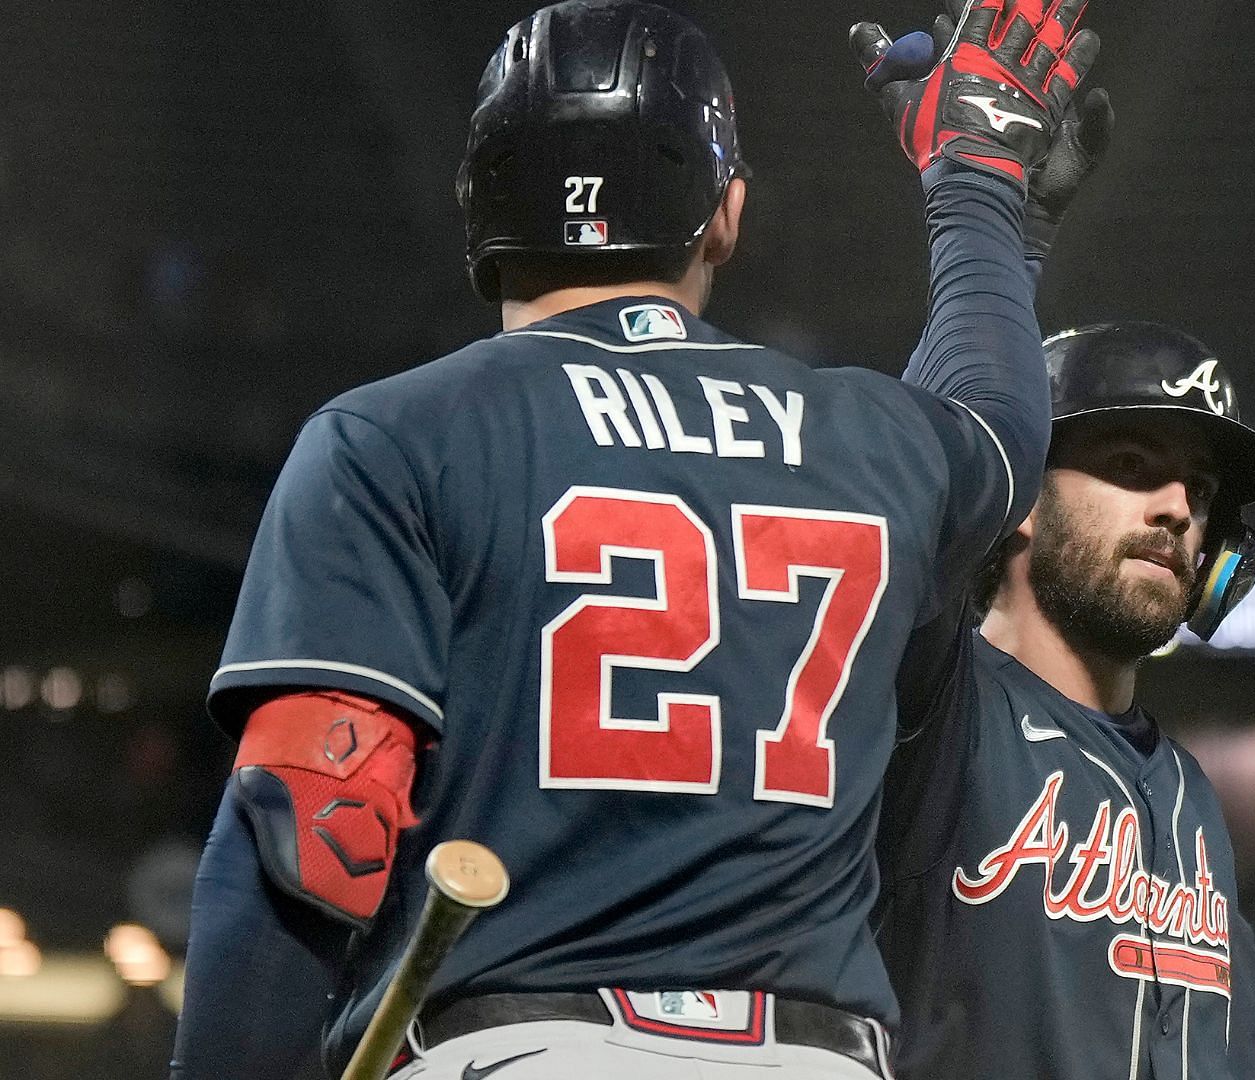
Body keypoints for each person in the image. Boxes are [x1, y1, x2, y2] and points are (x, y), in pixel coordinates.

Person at [169, 1, 1099, 1077]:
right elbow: (995, 419)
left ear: (479, 200)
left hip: (518, 1050)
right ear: (726, 215)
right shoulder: (870, 437)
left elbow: (308, 840)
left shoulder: (392, 434)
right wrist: (980, 188)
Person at [877, 322, 1255, 1080]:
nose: (1178, 509)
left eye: (1202, 490)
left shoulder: (1188, 796)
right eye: (1130, 463)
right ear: (1016, 497)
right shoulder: (935, 706)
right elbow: (916, 484)